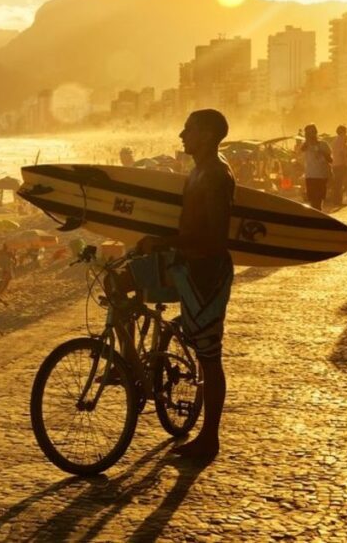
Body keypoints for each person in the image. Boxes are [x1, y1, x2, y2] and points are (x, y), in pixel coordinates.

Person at [137, 108, 235, 462]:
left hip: (207, 272)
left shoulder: (216, 175)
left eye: (188, 129)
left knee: (210, 357)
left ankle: (210, 438)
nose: (181, 134)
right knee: (124, 280)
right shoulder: (198, 171)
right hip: (188, 266)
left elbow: (213, 236)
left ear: (207, 135)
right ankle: (145, 368)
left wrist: (164, 242)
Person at [301, 124, 332, 211]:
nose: (310, 135)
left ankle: (318, 215)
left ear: (315, 133)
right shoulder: (305, 146)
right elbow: (300, 152)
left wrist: (322, 153)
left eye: (312, 132)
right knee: (312, 201)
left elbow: (330, 160)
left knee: (319, 200)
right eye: (308, 133)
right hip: (310, 176)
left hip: (322, 176)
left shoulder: (324, 144)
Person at [330, 125, 347, 206]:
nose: (346, 134)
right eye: (346, 132)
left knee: (337, 184)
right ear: (343, 132)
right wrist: (346, 164)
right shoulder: (342, 140)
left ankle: (337, 201)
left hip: (335, 164)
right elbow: (342, 153)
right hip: (342, 164)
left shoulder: (334, 141)